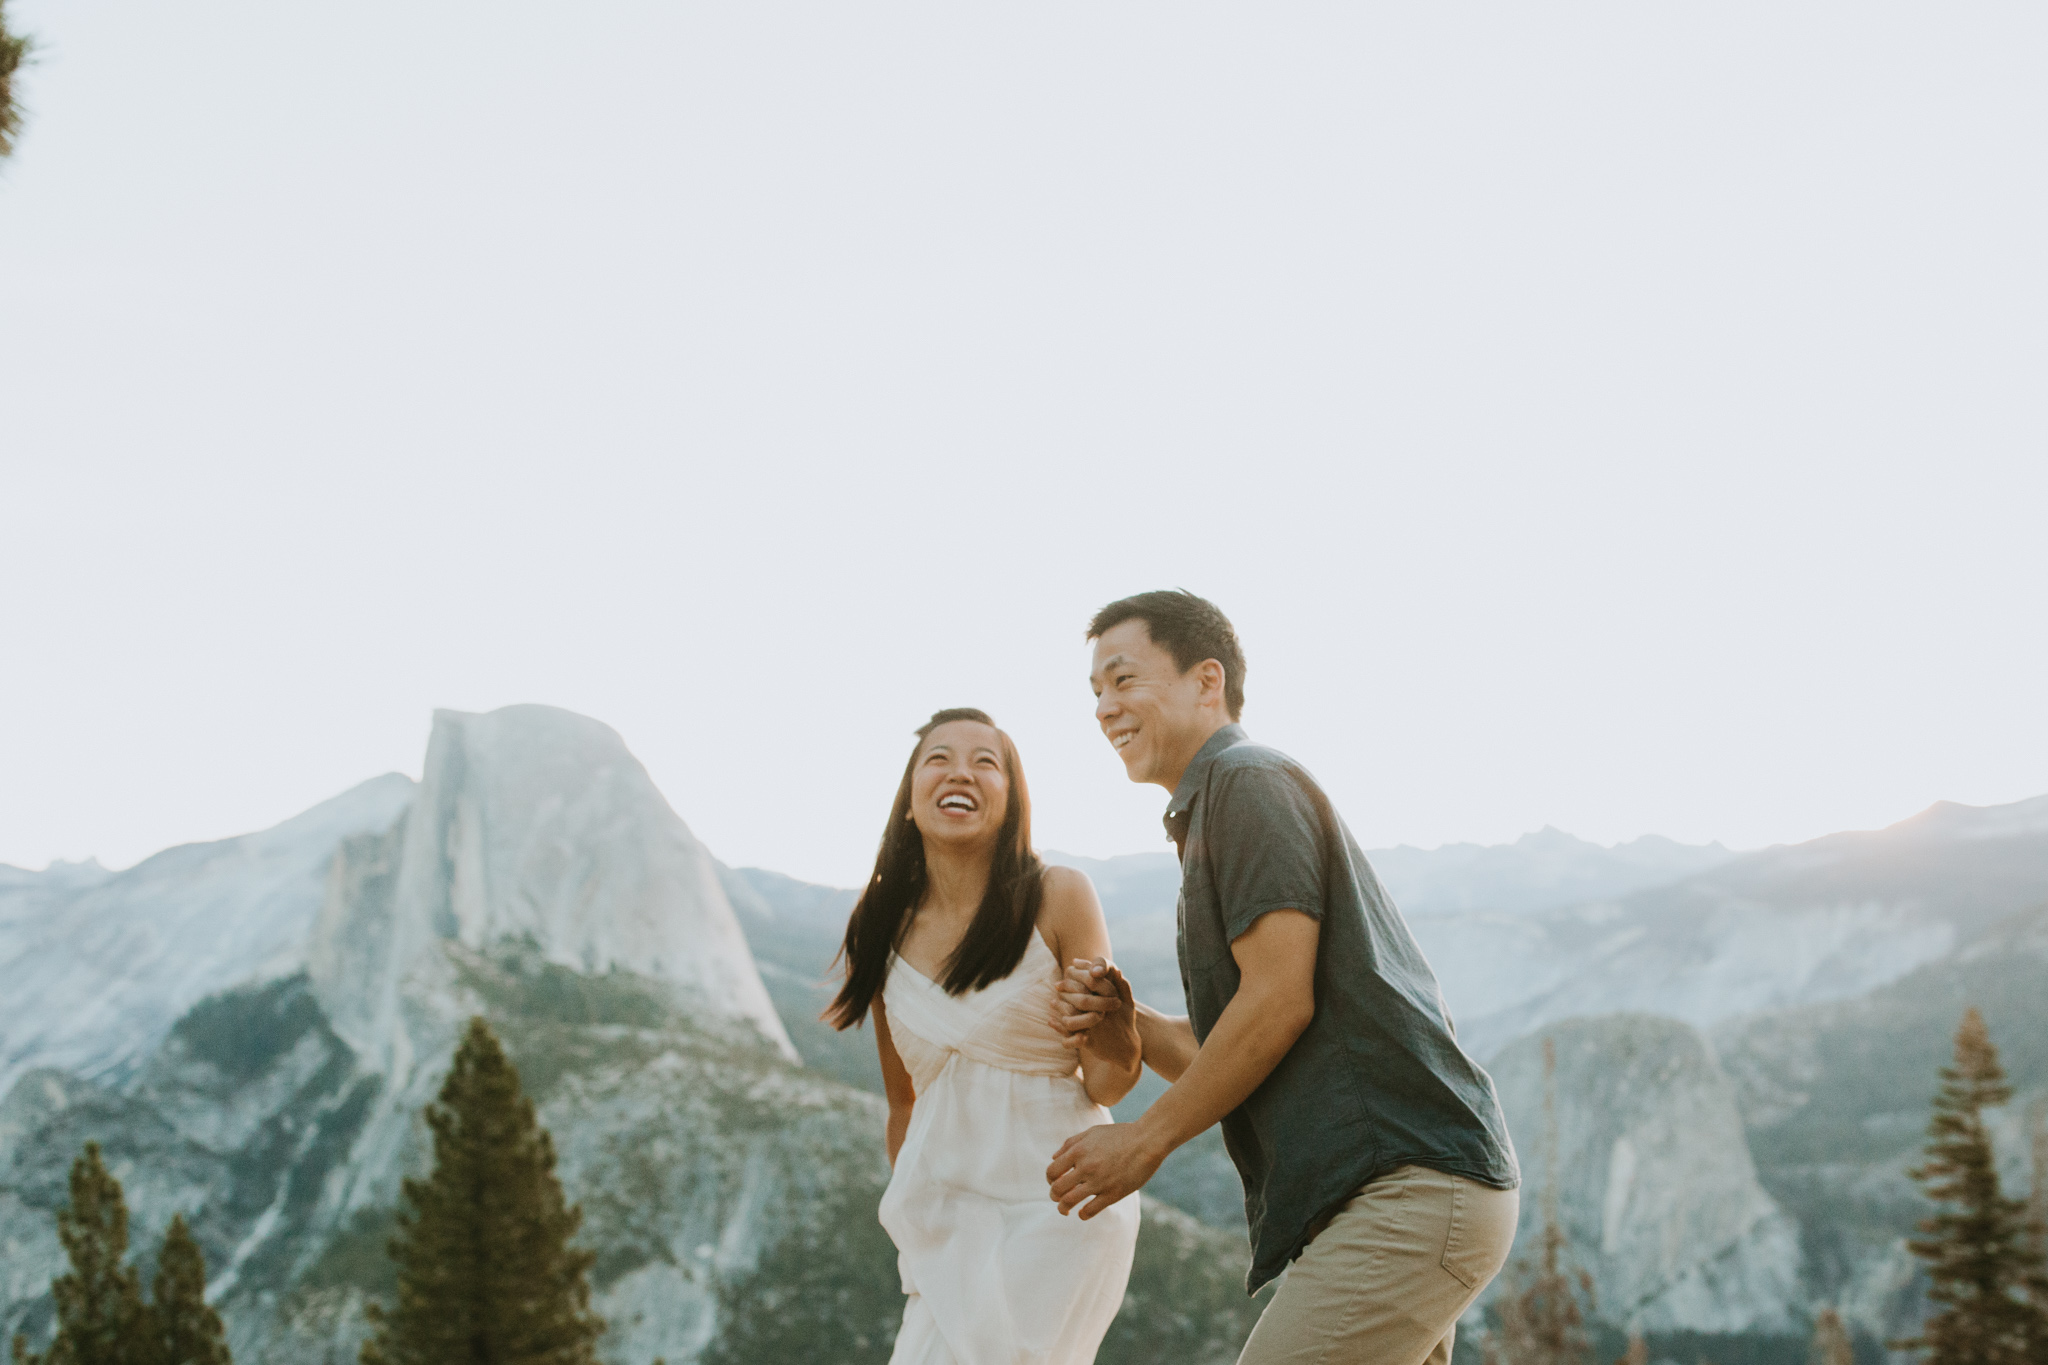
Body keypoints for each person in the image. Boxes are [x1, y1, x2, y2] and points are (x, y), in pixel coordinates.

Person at [1046, 591, 1520, 1365]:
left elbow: (1278, 1003)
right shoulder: (1215, 810)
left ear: (1208, 680)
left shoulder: (1244, 781)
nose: (1104, 706)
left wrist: (1145, 1139)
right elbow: (1234, 1049)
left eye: (1123, 678)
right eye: (1094, 690)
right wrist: (1129, 1020)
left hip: (1405, 1192)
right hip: (1403, 1201)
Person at [828, 707, 1142, 1365]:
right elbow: (905, 1103)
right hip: (949, 1226)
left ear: (1010, 799)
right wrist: (922, 1225)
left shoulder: (1059, 894)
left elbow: (1107, 1082)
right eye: (938, 757)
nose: (960, 770)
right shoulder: (880, 921)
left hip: (1058, 1213)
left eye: (985, 760)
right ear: (911, 799)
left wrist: (1118, 1029)